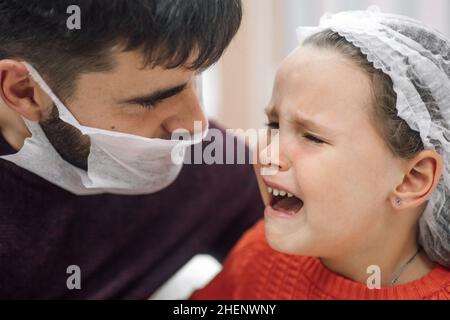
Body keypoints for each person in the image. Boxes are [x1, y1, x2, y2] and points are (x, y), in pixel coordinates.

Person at [0, 0, 263, 299]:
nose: (196, 124)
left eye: (195, 79)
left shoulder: (204, 164)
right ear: (24, 90)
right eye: (151, 100)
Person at [191, 9, 450, 300]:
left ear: (412, 179)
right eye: (273, 125)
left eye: (312, 137)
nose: (268, 154)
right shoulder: (259, 257)